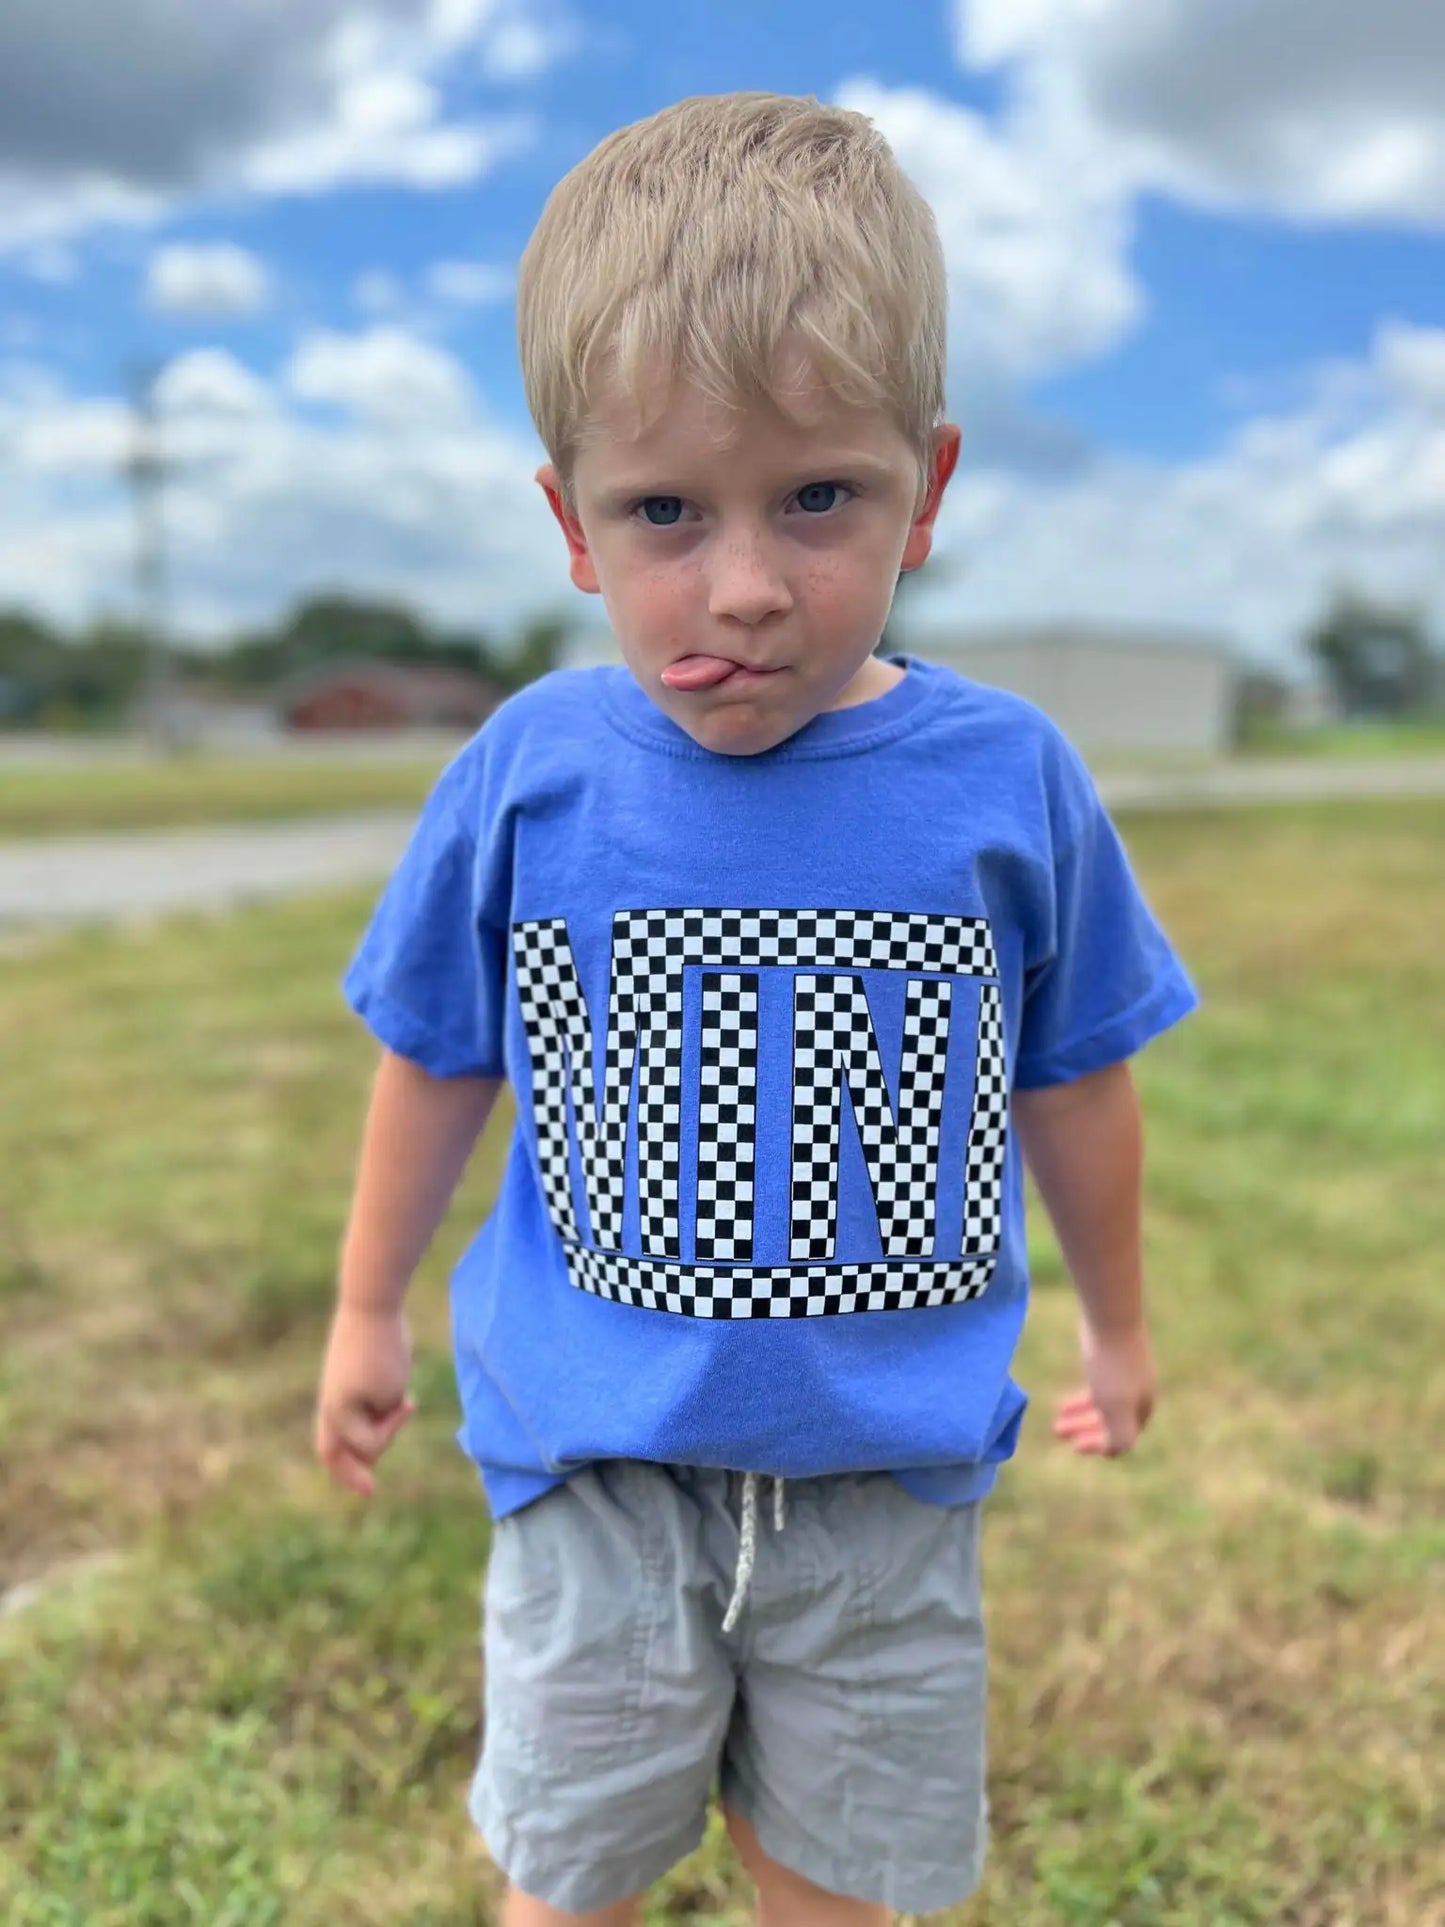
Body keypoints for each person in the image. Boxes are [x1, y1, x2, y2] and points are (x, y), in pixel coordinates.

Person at [315, 91, 1198, 1927]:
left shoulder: (1006, 780)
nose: (742, 587)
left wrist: (1114, 1327)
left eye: (818, 498)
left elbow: (1079, 1079)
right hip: (598, 1476)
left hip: (883, 1500)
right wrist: (360, 1307)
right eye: (663, 510)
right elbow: (437, 1052)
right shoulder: (532, 771)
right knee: (567, 1884)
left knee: (842, 1898)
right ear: (568, 522)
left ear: (926, 490)